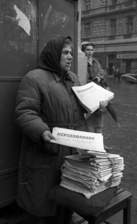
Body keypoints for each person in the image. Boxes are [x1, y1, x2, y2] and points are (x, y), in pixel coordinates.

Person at [14, 36, 92, 224]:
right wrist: (41, 131)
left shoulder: (73, 78)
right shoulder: (34, 78)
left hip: (72, 151)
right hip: (48, 149)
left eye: (72, 53)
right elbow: (25, 112)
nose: (70, 56)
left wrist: (96, 104)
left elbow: (81, 107)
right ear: (53, 54)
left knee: (69, 197)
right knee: (46, 200)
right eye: (65, 52)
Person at [81, 41, 112, 151]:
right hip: (87, 95)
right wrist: (92, 80)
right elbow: (81, 78)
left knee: (99, 121)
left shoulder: (95, 62)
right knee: (88, 121)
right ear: (83, 51)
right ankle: (89, 144)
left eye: (91, 50)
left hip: (97, 94)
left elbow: (102, 74)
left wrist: (100, 78)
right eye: (87, 50)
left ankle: (100, 144)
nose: (89, 52)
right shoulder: (81, 62)